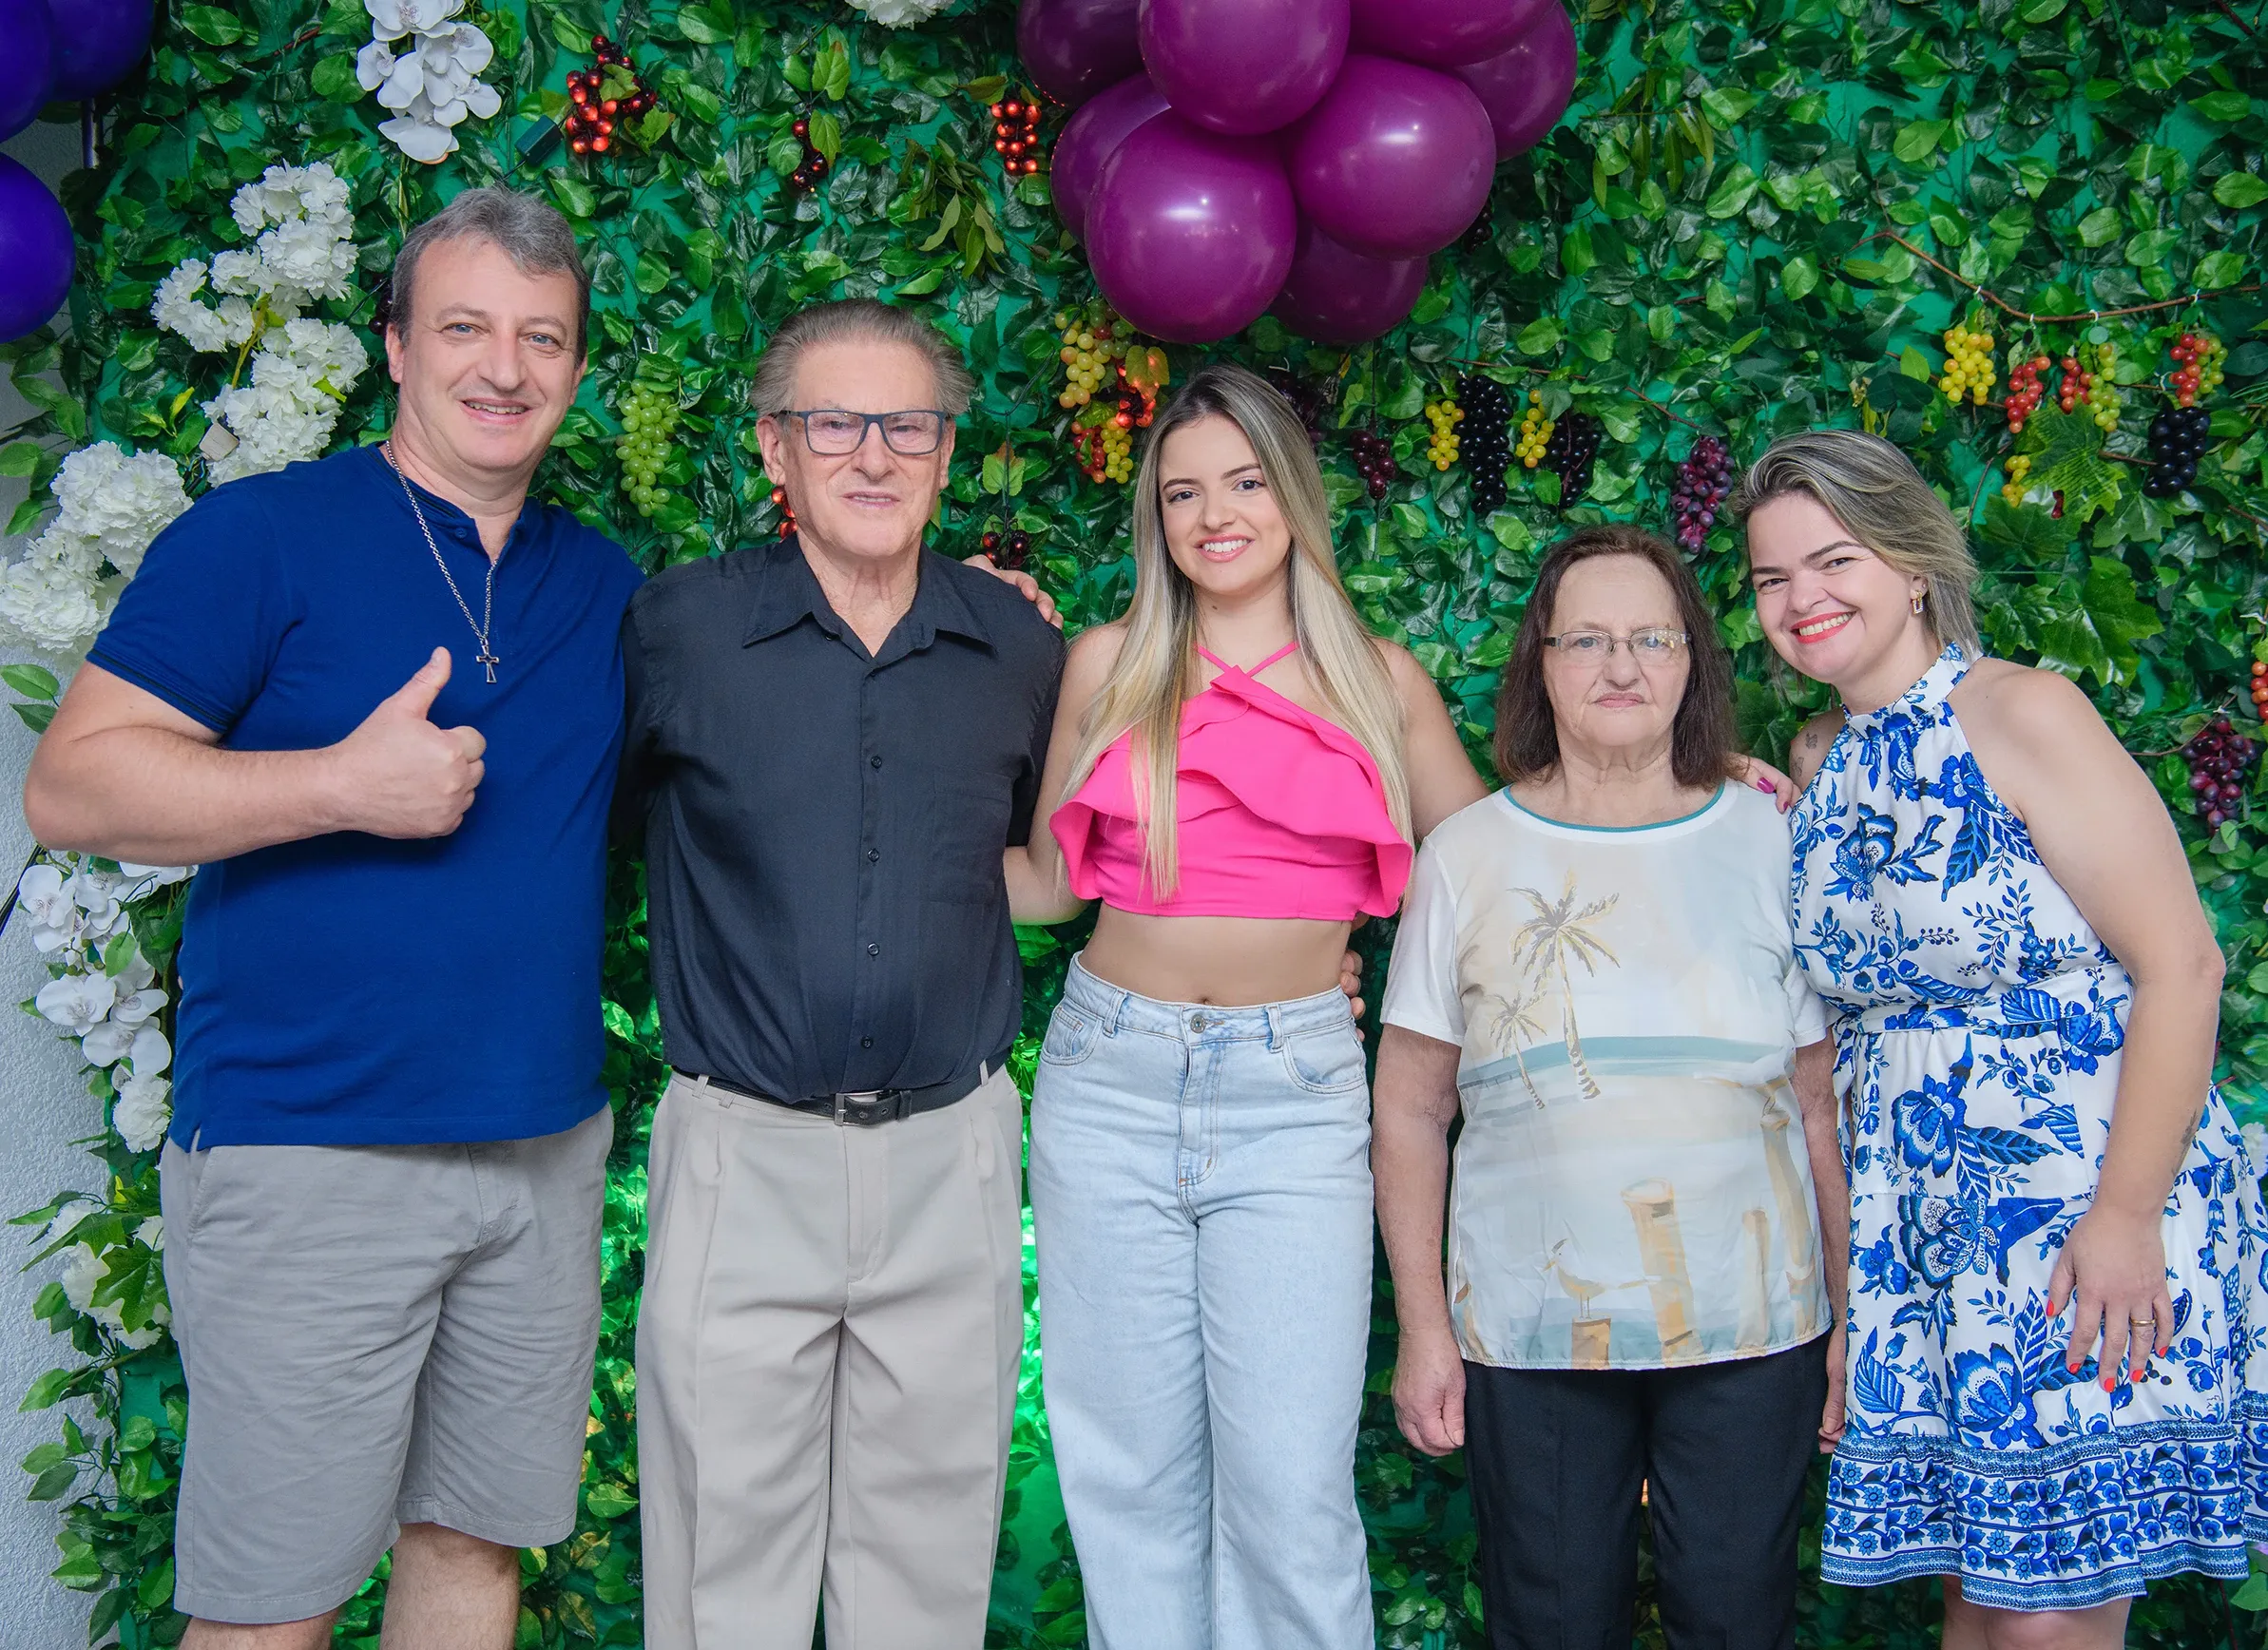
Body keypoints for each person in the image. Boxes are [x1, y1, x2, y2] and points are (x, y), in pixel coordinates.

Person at [20, 189, 639, 1648]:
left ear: (575, 367)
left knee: (473, 1551)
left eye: (542, 338)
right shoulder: (262, 538)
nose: (504, 368)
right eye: (466, 328)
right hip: (312, 1153)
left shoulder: (604, 583)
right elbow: (73, 786)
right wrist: (338, 785)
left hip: (539, 1152)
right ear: (397, 346)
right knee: (273, 1608)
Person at [1742, 430, 2268, 1646]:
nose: (1801, 597)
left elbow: (2183, 964)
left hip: (2079, 1200)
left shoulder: (2019, 710)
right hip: (1923, 1225)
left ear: (1912, 564)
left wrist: (2124, 1217)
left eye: (1834, 560)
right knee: (1980, 1602)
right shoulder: (1827, 763)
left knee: (2050, 1615)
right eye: (1772, 577)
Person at [1000, 364, 1487, 1648]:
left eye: (1244, 481)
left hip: (1296, 1093)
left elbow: (1493, 875)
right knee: (1127, 1482)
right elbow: (1046, 886)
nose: (1214, 514)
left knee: (1288, 1487)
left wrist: (1683, 780)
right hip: (1108, 1079)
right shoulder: (1106, 662)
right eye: (1181, 493)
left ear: (1294, 497)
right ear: (1155, 518)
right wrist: (856, 831)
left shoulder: (1379, 681)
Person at [618, 297, 1067, 1650]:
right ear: (776, 448)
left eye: (907, 426)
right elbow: (574, 835)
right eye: (833, 423)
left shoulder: (1018, 645)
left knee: (926, 1579)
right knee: (722, 1580)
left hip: (952, 1158)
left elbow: (1054, 863)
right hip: (742, 1154)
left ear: (946, 452)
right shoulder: (679, 629)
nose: (872, 454)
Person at [1372, 524, 1849, 1650]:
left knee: (1736, 1621)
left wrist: (1849, 1315)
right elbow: (1410, 1108)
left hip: (1755, 1328)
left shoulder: (1772, 835)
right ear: (1539, 661)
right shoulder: (1466, 854)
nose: (1621, 665)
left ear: (1692, 659)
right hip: (1531, 1333)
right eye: (1586, 639)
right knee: (1549, 1625)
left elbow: (1818, 1104)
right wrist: (1424, 1329)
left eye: (1652, 637)